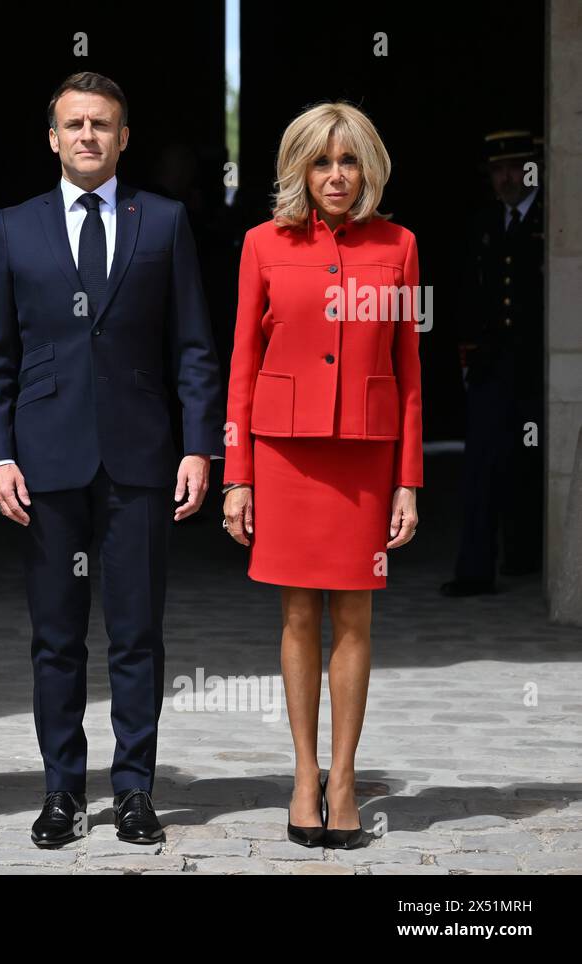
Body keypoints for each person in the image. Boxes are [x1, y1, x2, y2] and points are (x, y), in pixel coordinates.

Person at [0, 72, 225, 848]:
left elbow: (193, 346)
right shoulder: (14, 228)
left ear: (123, 138)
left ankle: (135, 791)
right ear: (52, 137)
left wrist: (197, 444)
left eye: (103, 124)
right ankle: (60, 792)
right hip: (45, 462)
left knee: (136, 632)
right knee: (55, 636)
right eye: (74, 124)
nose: (88, 135)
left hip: (142, 459)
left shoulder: (166, 222)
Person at [222, 102, 422, 849]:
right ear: (298, 169)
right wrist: (237, 474)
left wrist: (409, 480)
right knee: (298, 615)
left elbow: (408, 372)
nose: (335, 176)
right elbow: (242, 362)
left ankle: (345, 779)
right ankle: (304, 776)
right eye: (321, 162)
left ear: (366, 168)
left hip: (366, 456)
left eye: (348, 162)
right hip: (283, 453)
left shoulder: (399, 245)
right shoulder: (261, 245)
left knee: (357, 618)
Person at [441, 129, 544, 596]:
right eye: (497, 170)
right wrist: (467, 355)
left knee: (527, 464)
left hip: (537, 368)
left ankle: (524, 556)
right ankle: (476, 570)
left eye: (514, 167)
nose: (505, 178)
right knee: (480, 467)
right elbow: (468, 293)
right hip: (491, 368)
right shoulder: (484, 223)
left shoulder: (550, 219)